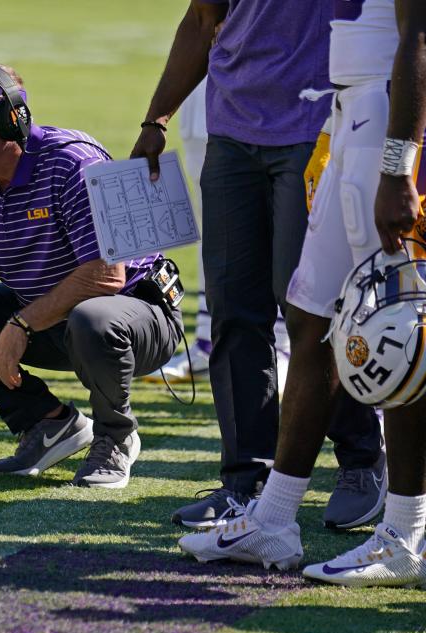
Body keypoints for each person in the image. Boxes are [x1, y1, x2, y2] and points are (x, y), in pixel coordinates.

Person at [178, 0, 426, 587]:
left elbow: (418, 35)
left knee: (396, 326)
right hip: (350, 111)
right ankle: (275, 516)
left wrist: (399, 167)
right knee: (310, 316)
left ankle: (406, 531)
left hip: (387, 119)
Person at [131, 0, 385, 529]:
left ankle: (363, 460)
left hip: (318, 130)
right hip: (232, 131)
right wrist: (157, 117)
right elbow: (203, 19)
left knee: (310, 311)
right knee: (233, 311)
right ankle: (247, 480)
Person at [0, 63, 182, 488]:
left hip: (137, 316)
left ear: (10, 119)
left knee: (95, 318)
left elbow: (107, 276)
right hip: (53, 320)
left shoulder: (72, 162)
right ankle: (49, 424)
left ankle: (116, 437)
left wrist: (20, 325)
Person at [142, 78, 292, 390]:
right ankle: (208, 340)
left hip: (275, 91)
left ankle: (281, 344)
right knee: (212, 224)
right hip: (210, 87)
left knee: (279, 223)